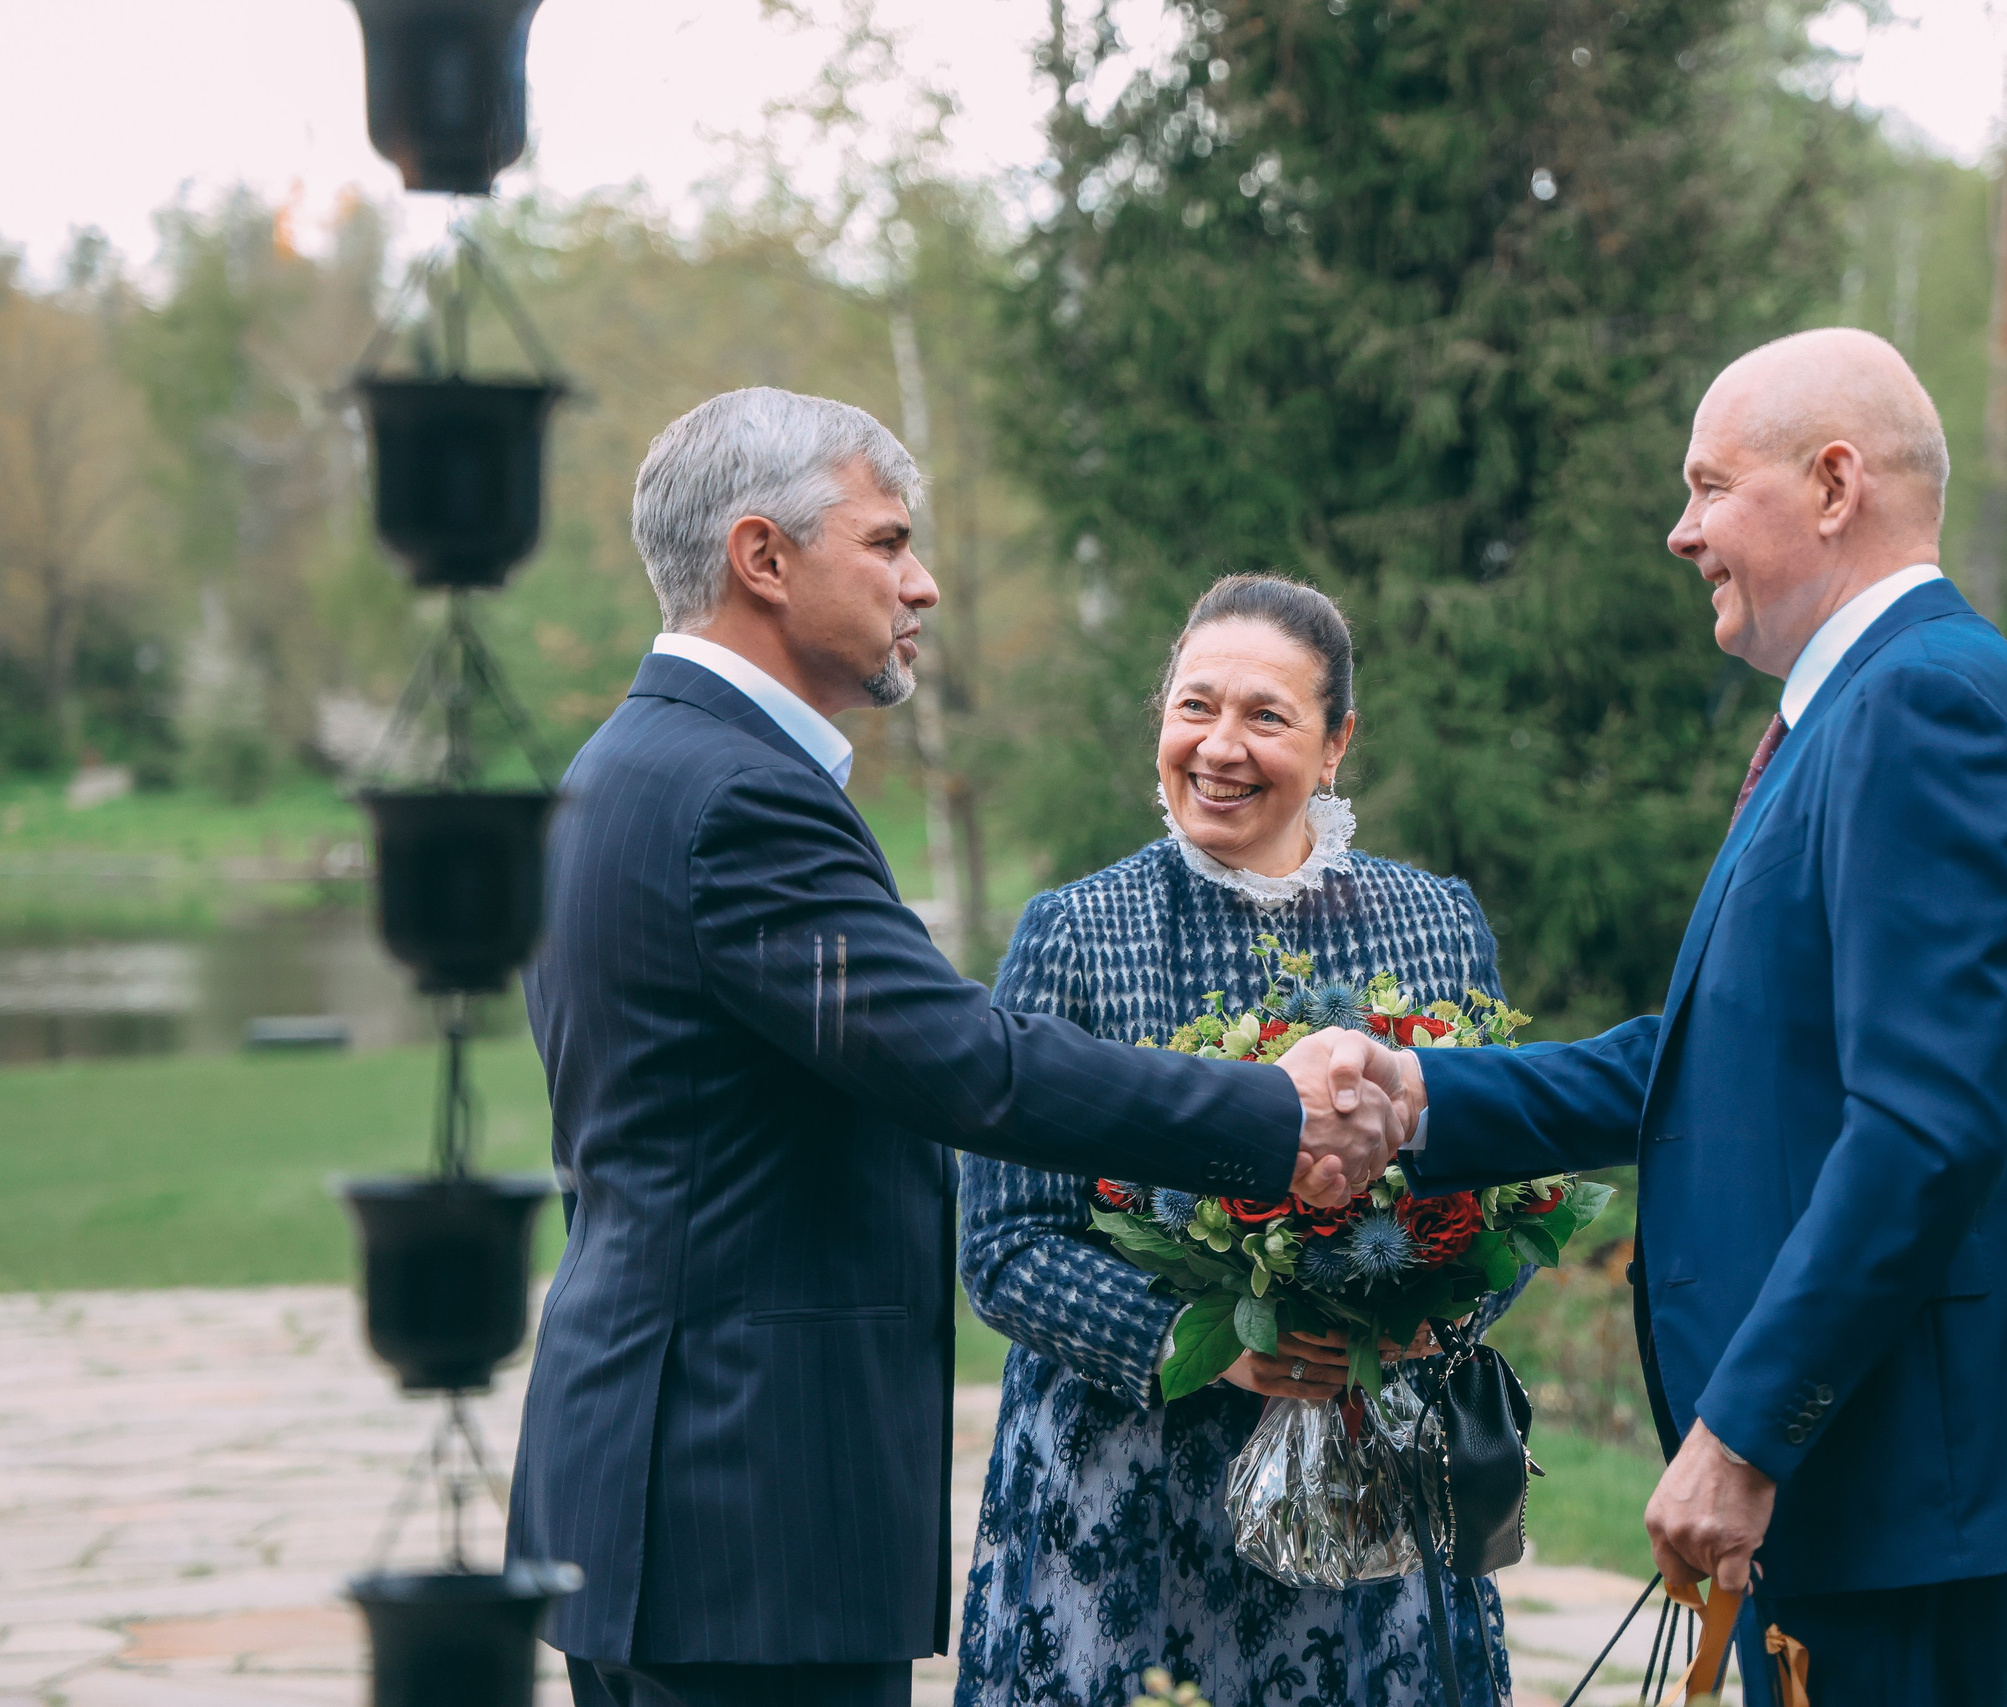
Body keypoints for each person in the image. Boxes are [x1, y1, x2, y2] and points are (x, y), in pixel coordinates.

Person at [508, 391, 1413, 1707]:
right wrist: (1275, 1113)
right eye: (886, 542)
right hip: (739, 1499)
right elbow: (966, 1062)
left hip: (674, 1488)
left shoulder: (634, 762)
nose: (921, 582)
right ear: (762, 557)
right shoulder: (737, 799)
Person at [1389, 329, 2007, 1705]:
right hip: (1904, 1498)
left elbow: (1929, 1125)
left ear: (1832, 484)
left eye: (1707, 486)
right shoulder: (1870, 706)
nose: (1680, 532)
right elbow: (1720, 1059)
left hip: (1922, 1495)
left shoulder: (1921, 708)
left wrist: (1746, 1430)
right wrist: (1418, 1105)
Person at [955, 575, 1524, 1707]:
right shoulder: (1074, 932)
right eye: (1192, 708)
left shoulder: (1435, 922)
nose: (1219, 746)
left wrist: (1402, 1317)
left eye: (1265, 715)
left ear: (1335, 744)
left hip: (1373, 1498)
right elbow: (1003, 1244)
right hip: (1124, 1502)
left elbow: (1505, 1195)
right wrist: (1206, 1342)